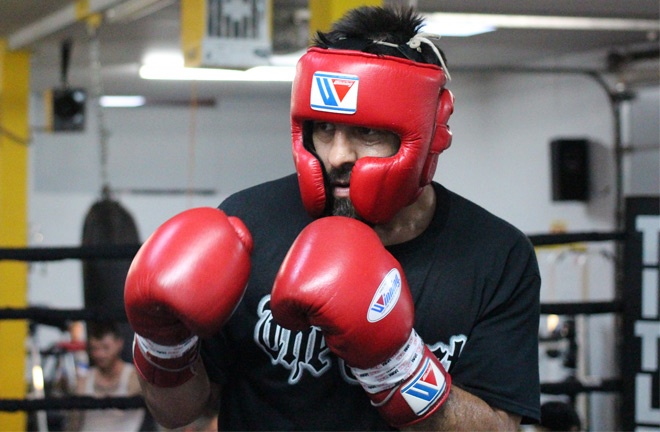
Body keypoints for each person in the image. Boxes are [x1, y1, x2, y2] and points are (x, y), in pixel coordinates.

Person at [124, 5, 541, 431]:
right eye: (324, 129)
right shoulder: (247, 224)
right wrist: (163, 345)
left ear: (430, 135)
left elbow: (499, 427)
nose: (338, 156)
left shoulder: (495, 255)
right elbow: (174, 412)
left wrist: (397, 367)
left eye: (367, 133)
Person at [67, 321, 146, 431]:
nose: (100, 354)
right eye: (95, 348)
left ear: (119, 344)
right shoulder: (83, 382)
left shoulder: (135, 378)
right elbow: (73, 425)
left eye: (105, 347)